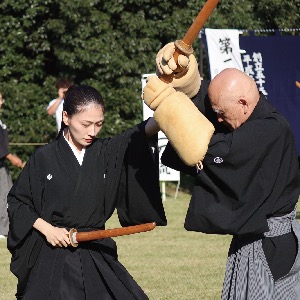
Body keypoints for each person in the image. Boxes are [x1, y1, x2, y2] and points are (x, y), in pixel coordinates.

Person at [143, 42, 300, 299]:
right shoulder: (251, 116)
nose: (218, 119)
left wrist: (169, 104)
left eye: (221, 113)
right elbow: (212, 109)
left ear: (243, 103)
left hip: (268, 246)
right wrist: (187, 82)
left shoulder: (270, 130)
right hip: (269, 241)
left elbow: (212, 148)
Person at [7, 85, 167, 299]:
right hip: (53, 252)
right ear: (66, 117)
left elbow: (141, 132)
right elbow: (18, 203)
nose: (92, 132)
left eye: (98, 124)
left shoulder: (106, 151)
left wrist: (174, 103)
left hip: (95, 248)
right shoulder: (43, 158)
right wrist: (48, 229)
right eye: (86, 124)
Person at [0, 92, 23, 239]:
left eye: (1, 99)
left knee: (7, 194)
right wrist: (10, 156)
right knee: (3, 196)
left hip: (2, 164)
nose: (1, 102)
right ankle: (2, 230)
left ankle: (6, 228)